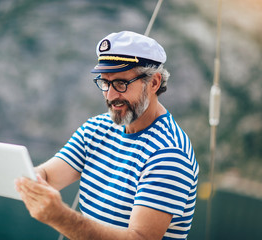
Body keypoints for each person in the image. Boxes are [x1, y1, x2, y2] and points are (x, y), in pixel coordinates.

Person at [15, 31, 199, 240]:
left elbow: (139, 238)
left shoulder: (169, 153)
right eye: (105, 82)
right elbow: (47, 177)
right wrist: (22, 177)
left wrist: (62, 217)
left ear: (154, 83)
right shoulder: (95, 129)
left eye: (121, 83)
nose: (111, 95)